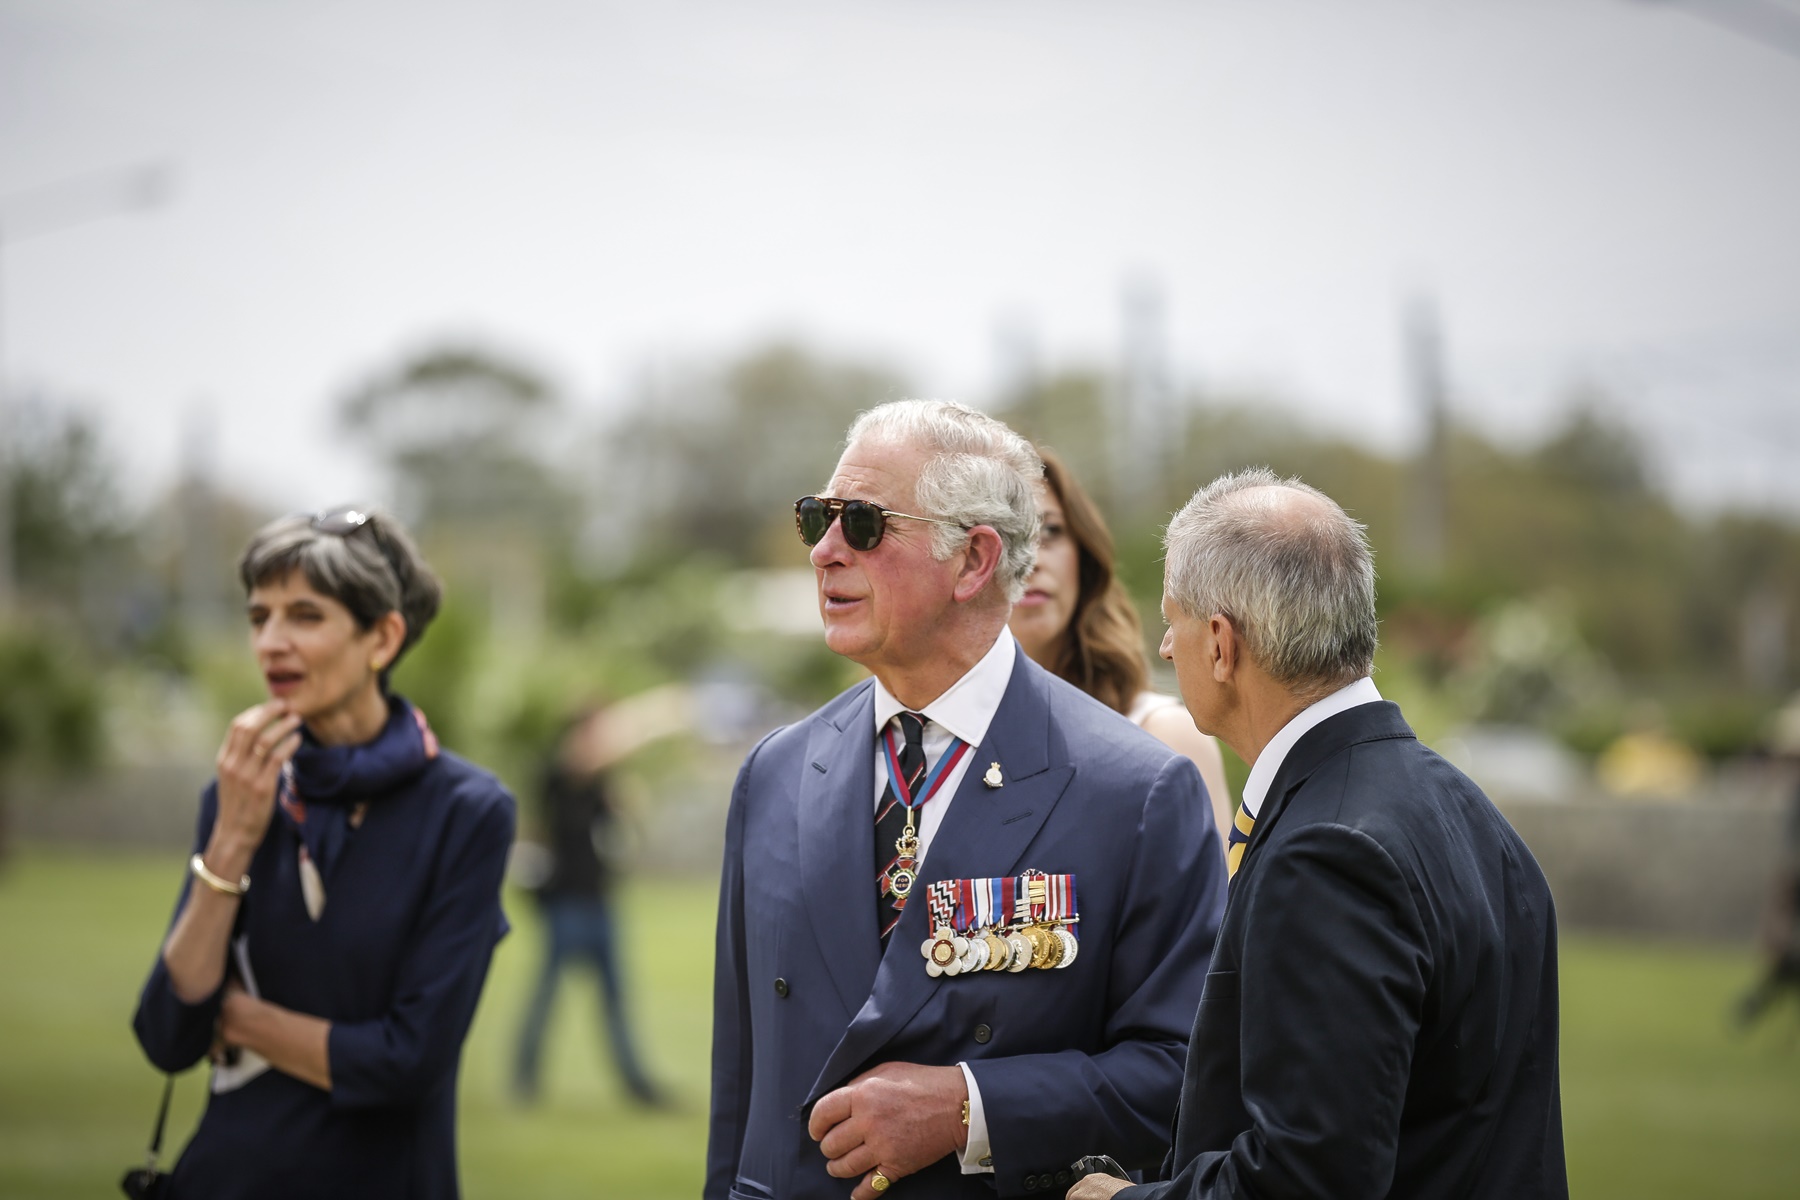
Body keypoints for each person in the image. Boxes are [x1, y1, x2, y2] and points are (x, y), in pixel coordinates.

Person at [708, 400, 1227, 1200]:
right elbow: (740, 1086)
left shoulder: (1138, 788)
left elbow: (1186, 1072)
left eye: (864, 524)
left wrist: (970, 1110)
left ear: (974, 560)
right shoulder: (776, 771)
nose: (825, 550)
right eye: (818, 517)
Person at [1070, 467, 1567, 1200]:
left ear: (1220, 643)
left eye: (1171, 623)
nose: (1165, 652)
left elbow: (1310, 1178)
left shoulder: (1326, 853)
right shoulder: (1462, 804)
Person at [133, 508, 515, 1200]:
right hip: (226, 1179)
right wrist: (232, 841)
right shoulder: (239, 794)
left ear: (382, 637)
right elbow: (166, 1033)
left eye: (305, 616)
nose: (271, 642)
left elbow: (409, 1063)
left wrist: (239, 1017)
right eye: (259, 618)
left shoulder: (468, 811)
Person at [1009, 448, 1234, 843]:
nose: (1033, 560)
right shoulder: (918, 731)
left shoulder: (1163, 735)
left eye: (1050, 532)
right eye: (1009, 535)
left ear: (1084, 554)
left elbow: (1216, 903)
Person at [513, 689, 690, 1106]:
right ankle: (524, 1079)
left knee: (614, 1000)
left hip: (599, 900)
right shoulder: (557, 776)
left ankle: (636, 1084)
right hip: (565, 904)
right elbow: (563, 799)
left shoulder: (601, 782)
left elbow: (621, 828)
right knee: (547, 994)